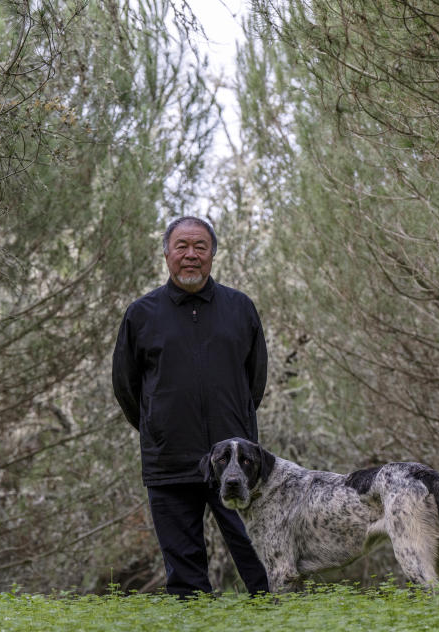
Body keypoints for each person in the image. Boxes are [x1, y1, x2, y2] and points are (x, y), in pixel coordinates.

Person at [111, 216, 269, 597]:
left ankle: (272, 617)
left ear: (213, 254)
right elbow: (126, 388)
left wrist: (237, 433)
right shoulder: (141, 314)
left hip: (236, 463)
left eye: (200, 246)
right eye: (181, 246)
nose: (191, 255)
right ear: (166, 253)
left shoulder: (240, 308)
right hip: (170, 460)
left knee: (260, 560)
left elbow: (255, 381)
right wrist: (158, 427)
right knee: (184, 577)